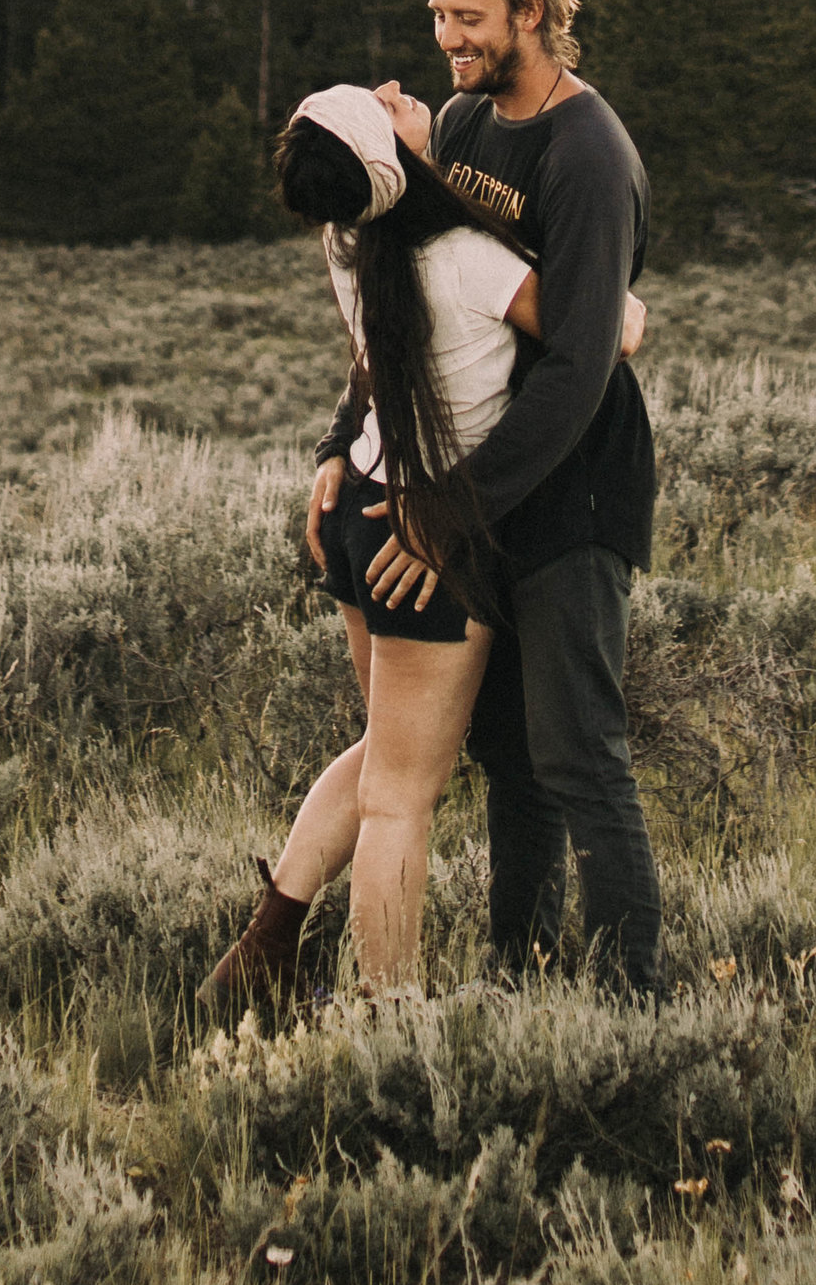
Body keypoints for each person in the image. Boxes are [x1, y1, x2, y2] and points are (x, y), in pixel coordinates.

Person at [201, 81, 646, 1009]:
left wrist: (332, 442)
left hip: (359, 504)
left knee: (382, 752)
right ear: (393, 162)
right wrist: (625, 307)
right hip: (421, 529)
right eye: (384, 102)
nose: (403, 90)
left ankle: (270, 937)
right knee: (402, 798)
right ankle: (389, 1018)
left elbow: (376, 359)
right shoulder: (470, 261)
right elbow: (610, 331)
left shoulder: (352, 240)